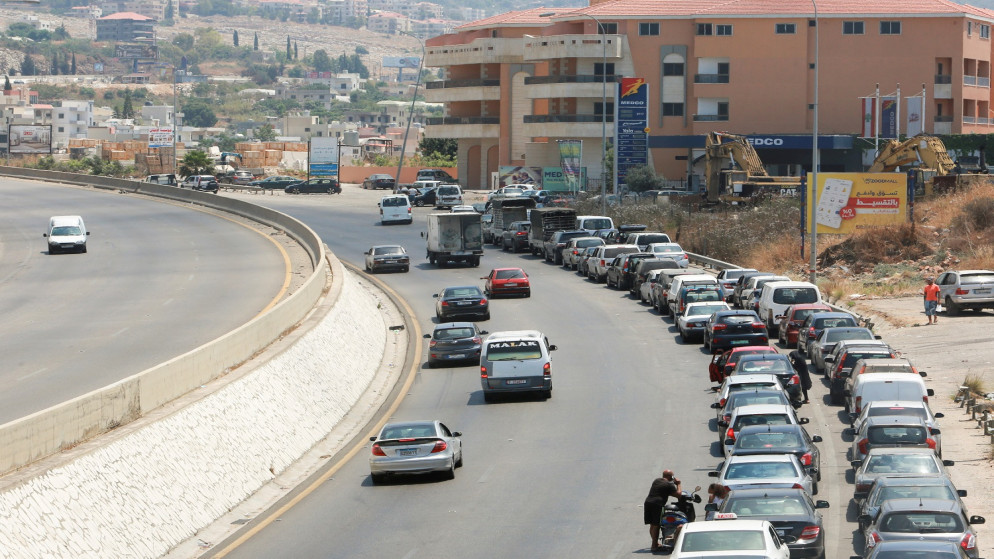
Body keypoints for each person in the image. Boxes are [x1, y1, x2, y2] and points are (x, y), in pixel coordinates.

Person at [644, 469, 681, 552]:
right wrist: (678, 484)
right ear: (671, 477)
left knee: (652, 525)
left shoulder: (657, 481)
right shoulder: (669, 485)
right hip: (657, 504)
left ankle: (655, 543)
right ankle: (654, 546)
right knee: (657, 525)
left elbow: (665, 491)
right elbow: (678, 495)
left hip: (648, 502)